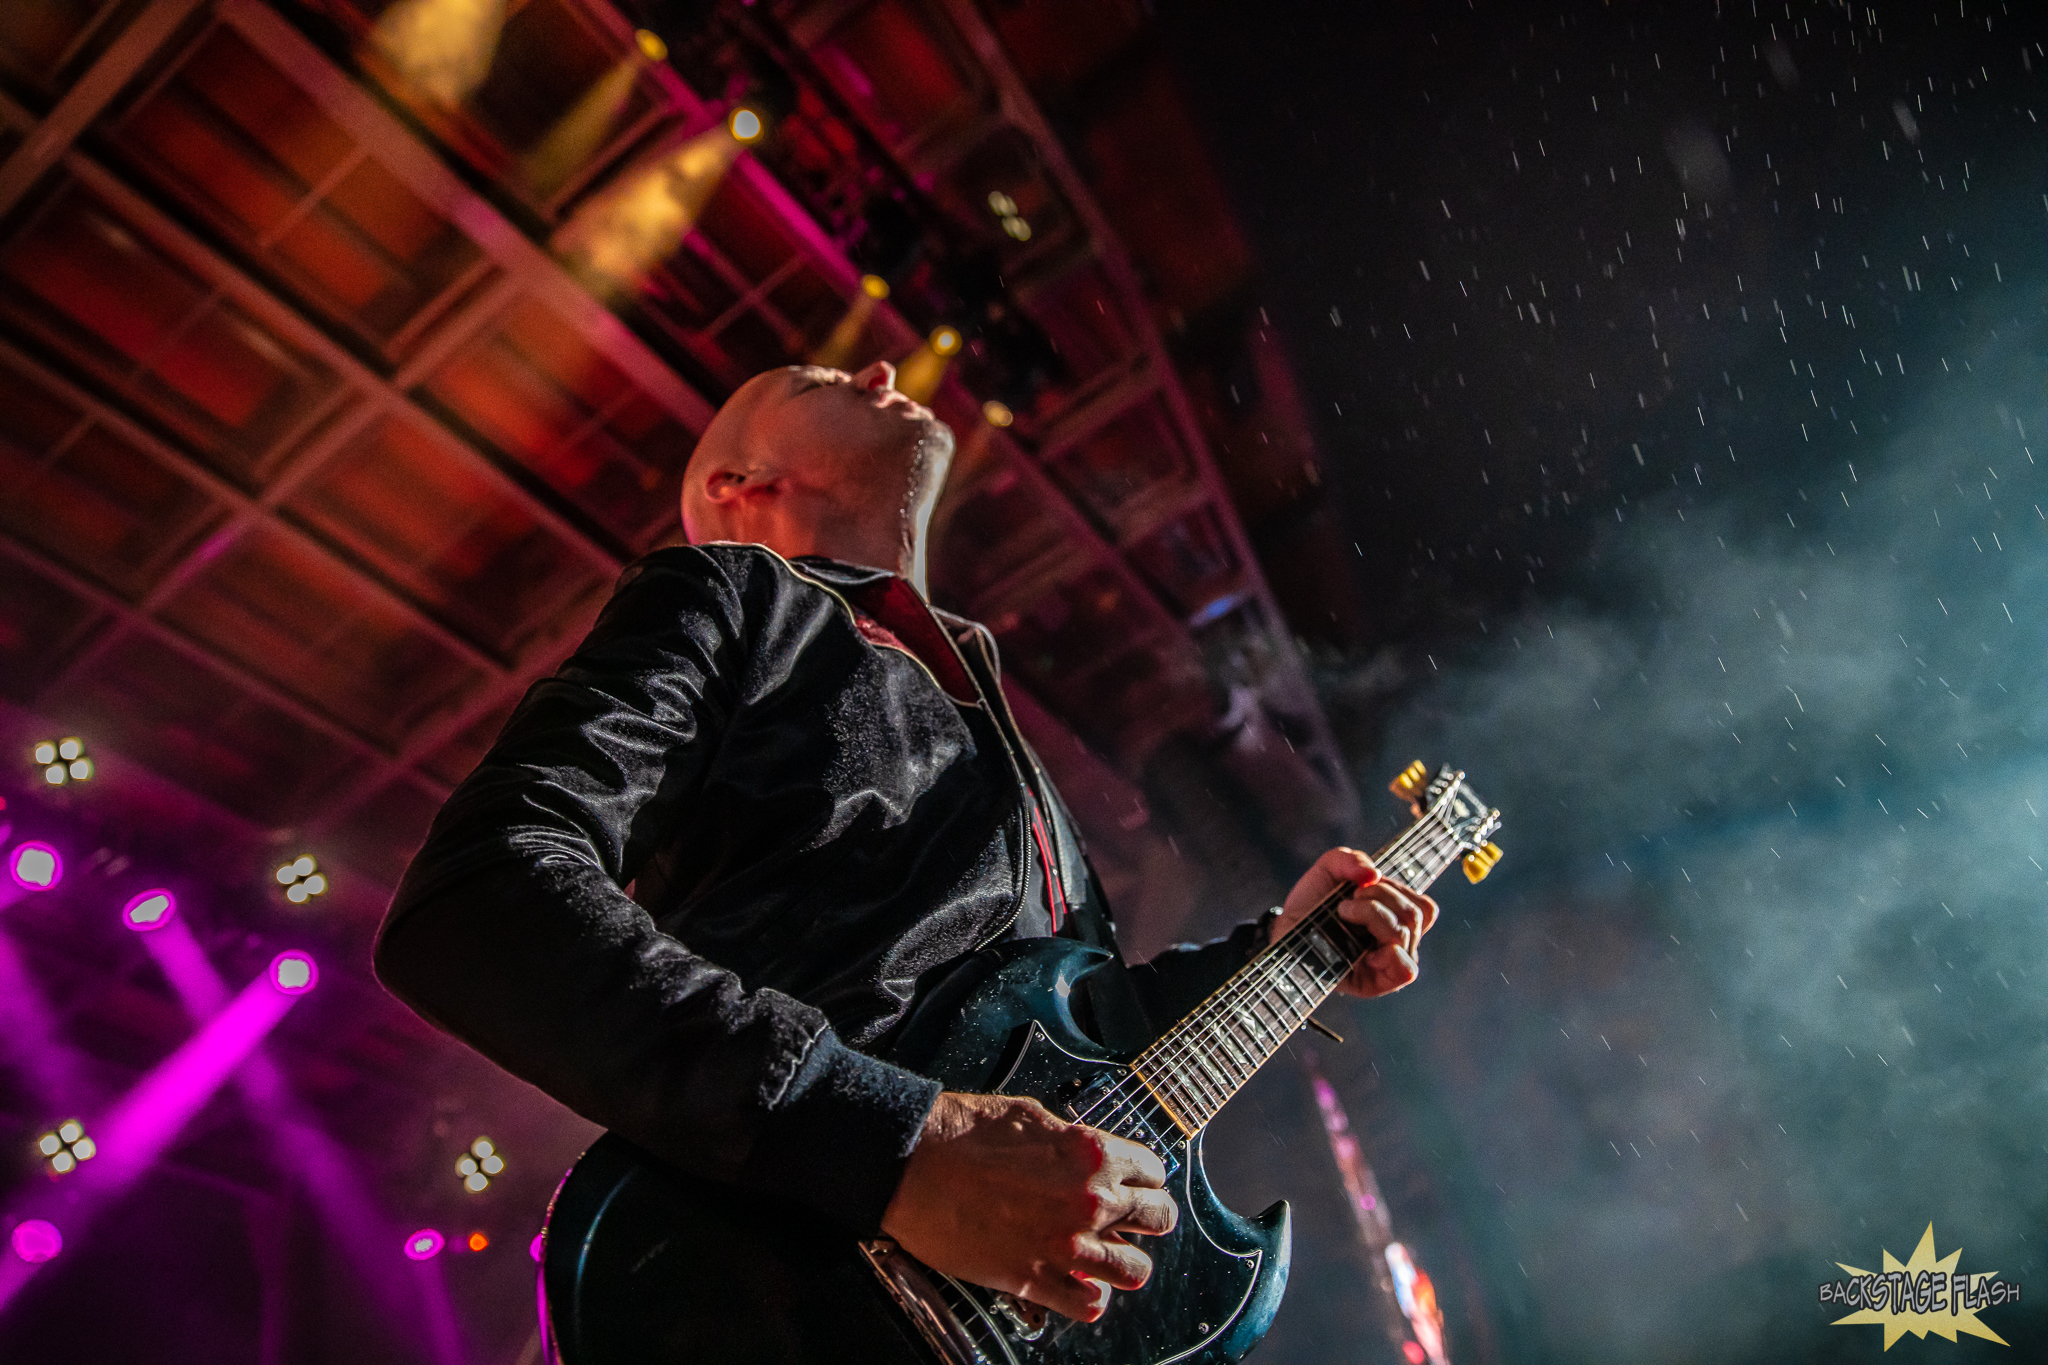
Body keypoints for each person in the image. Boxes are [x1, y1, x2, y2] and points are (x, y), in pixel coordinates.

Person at [374, 360, 1437, 1325]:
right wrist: (893, 1145)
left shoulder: (985, 711)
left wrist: (1282, 949)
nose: (881, 366)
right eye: (818, 379)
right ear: (736, 491)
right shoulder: (727, 594)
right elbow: (478, 898)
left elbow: (1084, 1035)